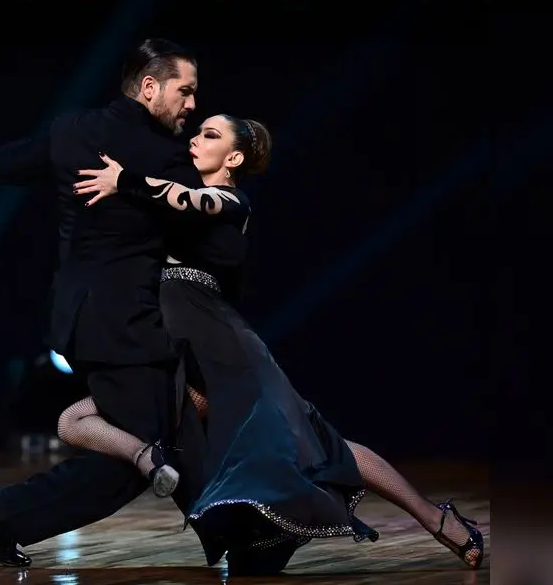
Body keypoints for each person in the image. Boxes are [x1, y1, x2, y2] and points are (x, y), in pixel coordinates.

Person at [60, 113, 486, 574]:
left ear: (235, 156)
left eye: (210, 134)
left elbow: (189, 200)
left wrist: (127, 179)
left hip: (225, 351)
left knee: (319, 445)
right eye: (198, 131)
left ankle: (434, 518)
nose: (196, 139)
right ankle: (168, 472)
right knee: (74, 419)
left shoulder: (229, 201)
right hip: (178, 350)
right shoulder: (175, 199)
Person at [0, 38, 228, 568]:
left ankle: (228, 533)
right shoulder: (169, 155)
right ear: (150, 86)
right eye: (186, 91)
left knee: (169, 436)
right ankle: (3, 511)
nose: (192, 105)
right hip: (119, 322)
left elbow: (5, 165)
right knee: (141, 452)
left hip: (90, 316)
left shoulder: (73, 130)